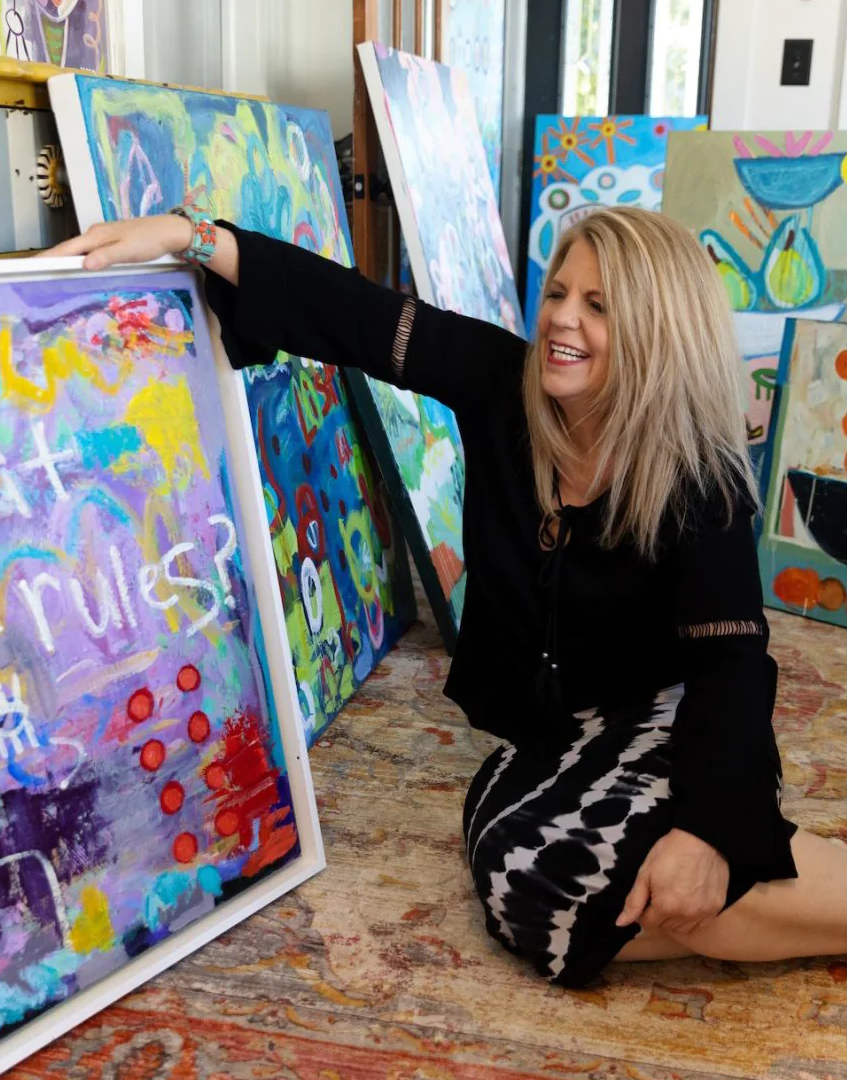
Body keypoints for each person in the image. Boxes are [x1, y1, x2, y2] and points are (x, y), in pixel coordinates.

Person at [48, 206, 847, 987]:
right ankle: (738, 882)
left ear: (657, 331)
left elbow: (732, 669)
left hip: (680, 729)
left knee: (565, 878)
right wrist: (198, 239)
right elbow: (363, 316)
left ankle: (765, 870)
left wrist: (707, 832)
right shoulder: (507, 383)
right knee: (510, 859)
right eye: (559, 293)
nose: (563, 320)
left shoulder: (698, 480)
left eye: (599, 306)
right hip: (560, 741)